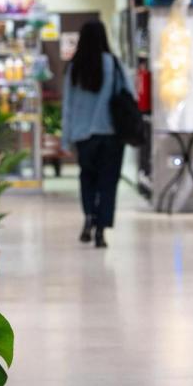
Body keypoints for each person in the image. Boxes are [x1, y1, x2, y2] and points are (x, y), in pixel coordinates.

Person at [61, 20, 131, 248]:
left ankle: (89, 216)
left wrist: (67, 138)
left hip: (84, 137)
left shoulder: (75, 67)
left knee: (87, 178)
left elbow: (68, 106)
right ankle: (101, 229)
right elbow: (129, 95)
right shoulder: (114, 64)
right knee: (108, 183)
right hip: (111, 135)